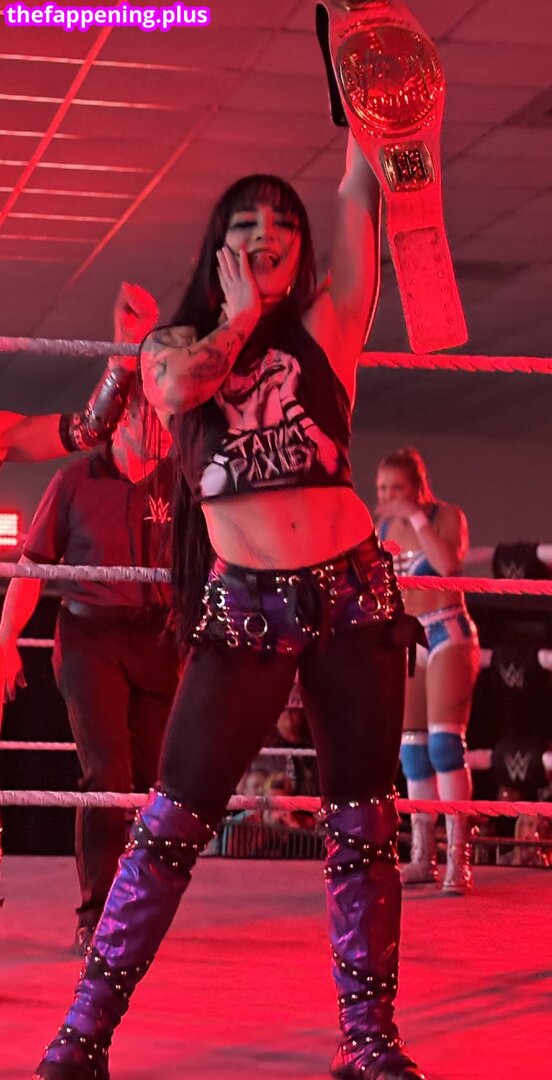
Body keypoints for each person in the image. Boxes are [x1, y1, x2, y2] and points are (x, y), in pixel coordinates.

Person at [33, 136, 425, 1080]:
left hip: (353, 596)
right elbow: (180, 387)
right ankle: (82, 1039)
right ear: (218, 245)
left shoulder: (328, 324)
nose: (267, 234)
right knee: (171, 823)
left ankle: (369, 1042)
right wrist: (241, 316)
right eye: (247, 222)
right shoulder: (171, 347)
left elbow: (359, 190)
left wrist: (370, 107)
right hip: (246, 607)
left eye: (284, 224)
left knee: (363, 824)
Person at [1, 288, 179, 955]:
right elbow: (33, 566)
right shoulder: (76, 484)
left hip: (158, 636)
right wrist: (6, 637)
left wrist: (128, 355)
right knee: (107, 774)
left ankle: (131, 910)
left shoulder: (185, 483)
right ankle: (97, 914)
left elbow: (83, 426)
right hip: (90, 633)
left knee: (154, 781)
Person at [376, 448, 480, 894]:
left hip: (448, 632)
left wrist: (416, 517)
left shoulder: (446, 517)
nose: (387, 497)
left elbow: (448, 565)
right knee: (413, 751)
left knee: (444, 746)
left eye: (396, 488)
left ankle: (459, 858)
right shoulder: (382, 529)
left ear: (418, 487)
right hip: (410, 637)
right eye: (382, 488)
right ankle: (423, 856)